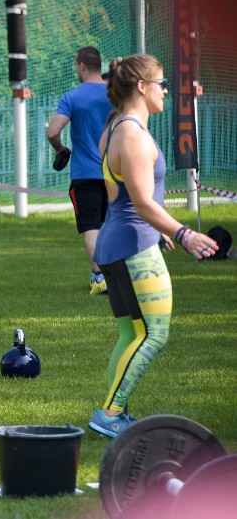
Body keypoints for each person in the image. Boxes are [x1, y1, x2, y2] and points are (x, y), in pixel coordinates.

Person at [87, 54, 219, 438]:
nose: (165, 91)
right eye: (161, 83)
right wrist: (183, 233)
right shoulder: (132, 134)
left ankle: (116, 413)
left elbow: (118, 194)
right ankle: (110, 414)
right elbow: (142, 202)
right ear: (141, 87)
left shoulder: (113, 128)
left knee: (131, 335)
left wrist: (153, 226)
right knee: (154, 334)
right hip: (133, 247)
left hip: (116, 244)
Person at [46, 46, 114, 295]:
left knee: (92, 227)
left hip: (85, 174)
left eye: (76, 66)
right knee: (111, 225)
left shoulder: (72, 96)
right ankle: (116, 277)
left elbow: (53, 131)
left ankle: (99, 278)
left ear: (82, 66)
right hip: (114, 173)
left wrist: (60, 147)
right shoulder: (114, 94)